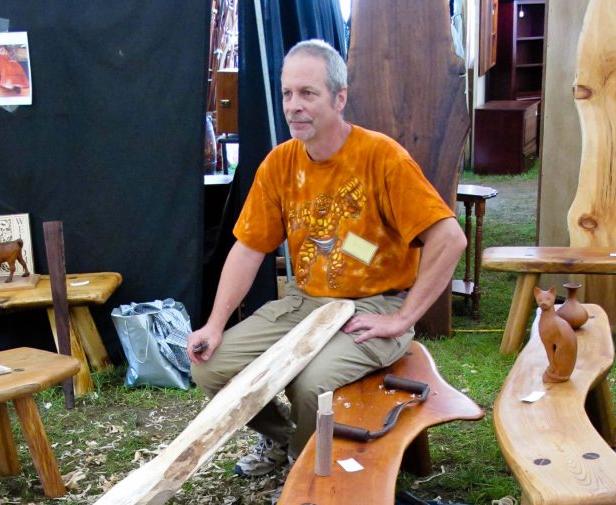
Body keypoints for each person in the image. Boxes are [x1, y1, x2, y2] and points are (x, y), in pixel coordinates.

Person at [188, 38, 466, 477]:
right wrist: (215, 324)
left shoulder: (382, 158)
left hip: (377, 304)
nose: (293, 106)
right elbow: (248, 249)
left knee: (310, 381)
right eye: (287, 94)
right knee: (210, 368)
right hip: (306, 301)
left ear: (339, 98)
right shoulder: (280, 164)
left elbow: (449, 238)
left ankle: (305, 476)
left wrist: (402, 318)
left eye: (308, 93)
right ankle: (283, 440)